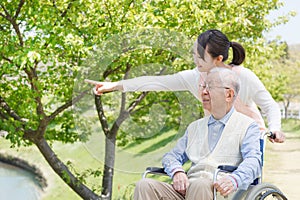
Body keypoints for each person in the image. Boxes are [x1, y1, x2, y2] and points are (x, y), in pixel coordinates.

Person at [86, 29, 285, 143]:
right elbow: (156, 82)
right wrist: (115, 85)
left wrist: (275, 129)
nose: (195, 59)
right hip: (217, 139)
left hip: (249, 140)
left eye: (201, 56)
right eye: (194, 54)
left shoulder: (243, 77)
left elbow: (270, 106)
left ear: (219, 58)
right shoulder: (194, 78)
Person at [133, 68, 262, 200]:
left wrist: (235, 179)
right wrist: (177, 172)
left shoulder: (248, 126)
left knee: (200, 184)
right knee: (144, 185)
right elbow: (171, 156)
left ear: (229, 95)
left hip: (221, 192)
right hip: (189, 190)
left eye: (210, 87)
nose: (203, 91)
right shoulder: (194, 127)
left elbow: (254, 161)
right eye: (203, 86)